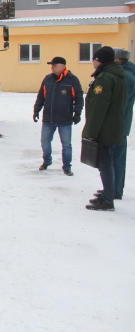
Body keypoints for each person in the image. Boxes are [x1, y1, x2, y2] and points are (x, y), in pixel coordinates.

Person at [83, 46, 125, 211]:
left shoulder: (105, 78)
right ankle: (108, 192)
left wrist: (91, 133)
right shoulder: (117, 75)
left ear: (99, 60)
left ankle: (108, 199)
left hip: (105, 128)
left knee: (105, 163)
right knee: (108, 161)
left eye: (94, 58)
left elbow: (98, 108)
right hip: (113, 125)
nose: (92, 61)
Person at [33, 57, 84, 175]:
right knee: (45, 142)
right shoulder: (48, 79)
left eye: (54, 65)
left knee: (66, 145)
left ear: (62, 66)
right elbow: (41, 96)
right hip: (48, 118)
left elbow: (79, 98)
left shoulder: (72, 80)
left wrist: (77, 113)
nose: (52, 67)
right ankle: (47, 161)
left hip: (65, 119)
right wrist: (36, 110)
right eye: (51, 65)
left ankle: (67, 167)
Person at [111, 48, 135, 199]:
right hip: (122, 122)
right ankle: (113, 188)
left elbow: (122, 102)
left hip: (119, 123)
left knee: (117, 158)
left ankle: (115, 190)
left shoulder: (124, 76)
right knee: (116, 157)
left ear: (118, 60)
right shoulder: (128, 73)